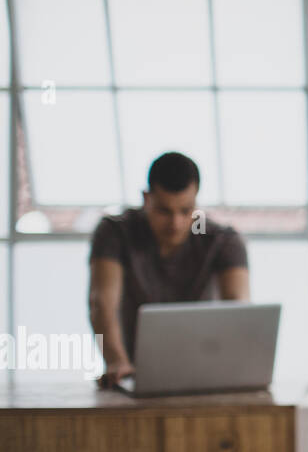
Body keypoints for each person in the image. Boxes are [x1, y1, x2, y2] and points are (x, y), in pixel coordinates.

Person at [89, 151, 250, 387]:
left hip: (207, 375)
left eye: (186, 211)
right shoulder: (116, 232)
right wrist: (116, 361)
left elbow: (238, 307)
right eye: (164, 211)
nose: (176, 223)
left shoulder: (221, 239)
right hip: (133, 373)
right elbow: (101, 303)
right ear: (146, 198)